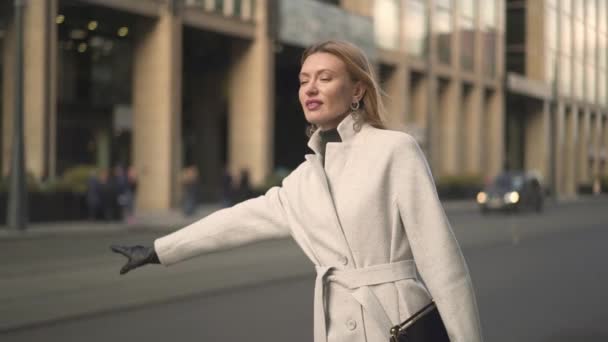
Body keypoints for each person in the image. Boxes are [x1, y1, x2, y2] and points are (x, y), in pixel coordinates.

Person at [111, 40, 483, 342]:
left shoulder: (395, 150)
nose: (311, 88)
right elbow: (236, 222)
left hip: (399, 325)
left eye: (324, 78)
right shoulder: (303, 181)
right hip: (335, 329)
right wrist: (159, 251)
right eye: (304, 80)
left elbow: (441, 260)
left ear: (356, 89)